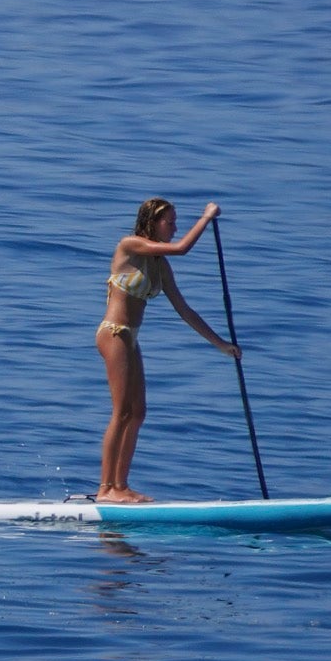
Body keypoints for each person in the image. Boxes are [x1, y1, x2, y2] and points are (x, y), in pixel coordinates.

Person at [97, 198, 240, 504]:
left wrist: (221, 345)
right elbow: (182, 248)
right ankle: (105, 489)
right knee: (121, 411)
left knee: (138, 413)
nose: (174, 228)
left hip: (131, 339)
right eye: (170, 222)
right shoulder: (130, 246)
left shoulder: (160, 267)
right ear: (151, 222)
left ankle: (121, 486)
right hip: (113, 334)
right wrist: (206, 217)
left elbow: (185, 311)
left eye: (176, 223)